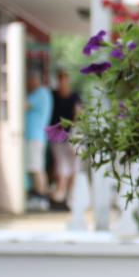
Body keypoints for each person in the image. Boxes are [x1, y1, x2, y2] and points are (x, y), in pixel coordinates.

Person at [49, 69, 82, 210]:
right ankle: (62, 194)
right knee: (61, 166)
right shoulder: (53, 95)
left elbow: (80, 114)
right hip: (57, 136)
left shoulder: (75, 96)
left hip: (71, 136)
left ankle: (69, 195)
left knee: (73, 166)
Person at [25, 70, 53, 208]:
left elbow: (22, 106)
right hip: (35, 136)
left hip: (35, 136)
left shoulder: (40, 93)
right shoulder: (41, 93)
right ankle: (39, 196)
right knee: (36, 167)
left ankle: (41, 197)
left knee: (36, 168)